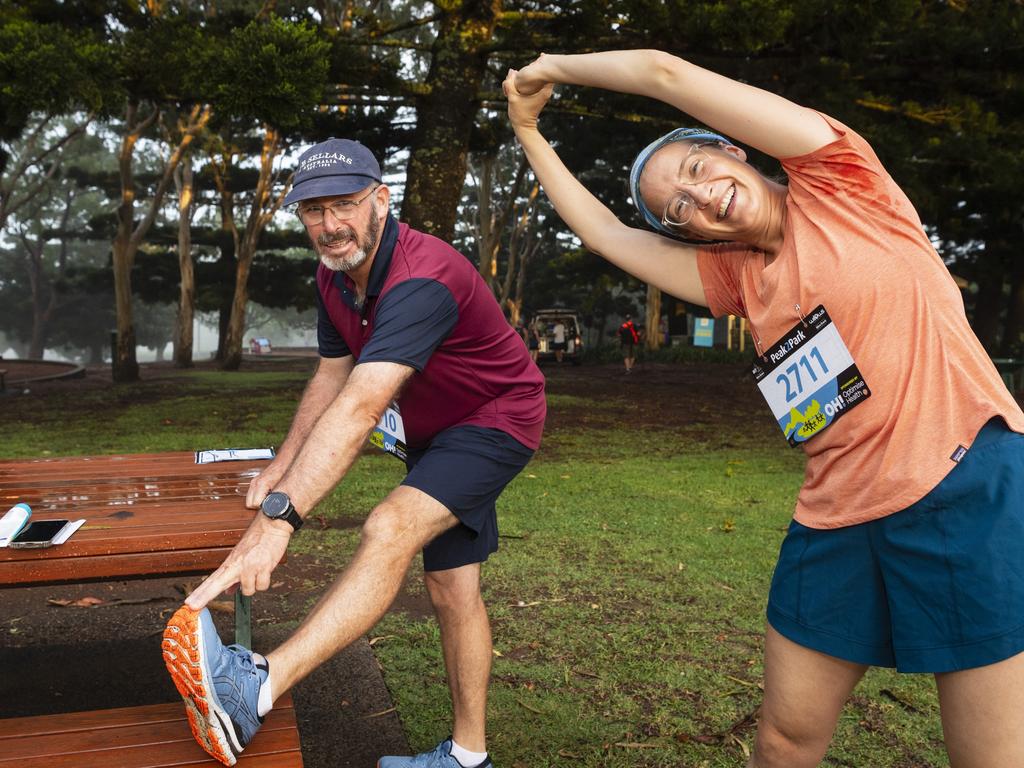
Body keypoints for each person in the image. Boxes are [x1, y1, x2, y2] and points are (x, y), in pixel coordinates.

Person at [503, 50, 1024, 767]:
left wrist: (551, 68)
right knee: (783, 741)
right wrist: (526, 132)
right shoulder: (738, 278)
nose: (701, 199)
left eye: (695, 172)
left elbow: (664, 75)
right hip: (835, 516)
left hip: (962, 483)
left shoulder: (842, 182)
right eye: (678, 210)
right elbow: (605, 235)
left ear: (732, 149)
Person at [161, 138, 545, 768]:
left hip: (495, 419)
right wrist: (281, 466)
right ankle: (469, 758)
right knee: (452, 587)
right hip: (432, 433)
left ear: (381, 200)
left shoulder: (424, 276)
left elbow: (362, 406)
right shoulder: (333, 275)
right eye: (313, 210)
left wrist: (280, 520)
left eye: (344, 204)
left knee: (390, 525)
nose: (329, 225)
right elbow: (331, 377)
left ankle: (254, 688)